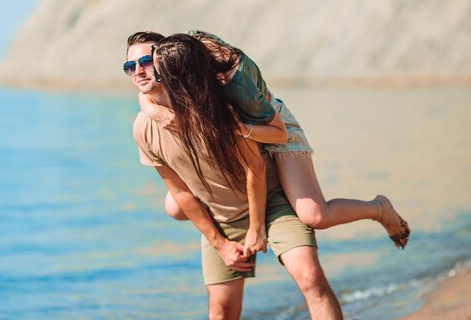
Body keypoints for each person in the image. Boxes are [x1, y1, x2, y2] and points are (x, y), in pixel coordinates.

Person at [125, 32, 343, 320]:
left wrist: (256, 227)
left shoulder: (215, 103)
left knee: (310, 278)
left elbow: (256, 166)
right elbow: (180, 192)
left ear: (166, 61)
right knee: (221, 311)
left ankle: (378, 210)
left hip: (271, 199)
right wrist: (221, 244)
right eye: (130, 67)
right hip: (221, 215)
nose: (138, 71)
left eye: (145, 61)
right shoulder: (144, 128)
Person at [140, 30, 411, 250]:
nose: (156, 78)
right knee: (174, 206)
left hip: (269, 126)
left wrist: (239, 129)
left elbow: (278, 132)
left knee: (314, 215)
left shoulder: (236, 86)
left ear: (186, 77)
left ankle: (379, 208)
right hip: (236, 127)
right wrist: (152, 109)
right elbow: (145, 91)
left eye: (163, 75)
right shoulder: (184, 53)